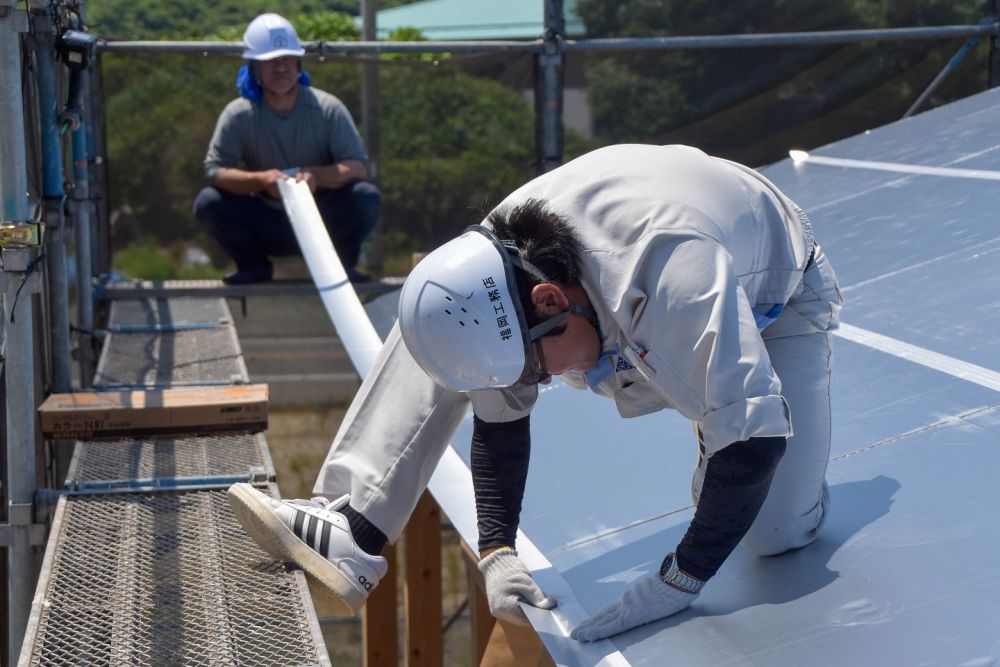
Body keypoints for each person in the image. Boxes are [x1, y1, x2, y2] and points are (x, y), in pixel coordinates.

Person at [227, 144, 842, 641]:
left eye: (530, 369)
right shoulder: (498, 263)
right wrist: (497, 550)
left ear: (551, 301)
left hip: (775, 290)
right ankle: (353, 524)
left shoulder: (674, 280)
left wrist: (680, 579)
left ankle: (748, 443)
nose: (538, 386)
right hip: (622, 282)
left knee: (774, 531)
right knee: (439, 314)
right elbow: (499, 410)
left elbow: (756, 442)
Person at [193, 13, 380, 285]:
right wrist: (262, 181)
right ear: (254, 67)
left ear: (299, 62)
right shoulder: (238, 114)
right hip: (268, 222)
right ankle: (253, 266)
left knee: (366, 196)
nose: (280, 67)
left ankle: (342, 265)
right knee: (209, 203)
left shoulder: (327, 108)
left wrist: (316, 176)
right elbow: (215, 171)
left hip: (323, 220)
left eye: (287, 59)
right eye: (270, 61)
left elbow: (357, 166)